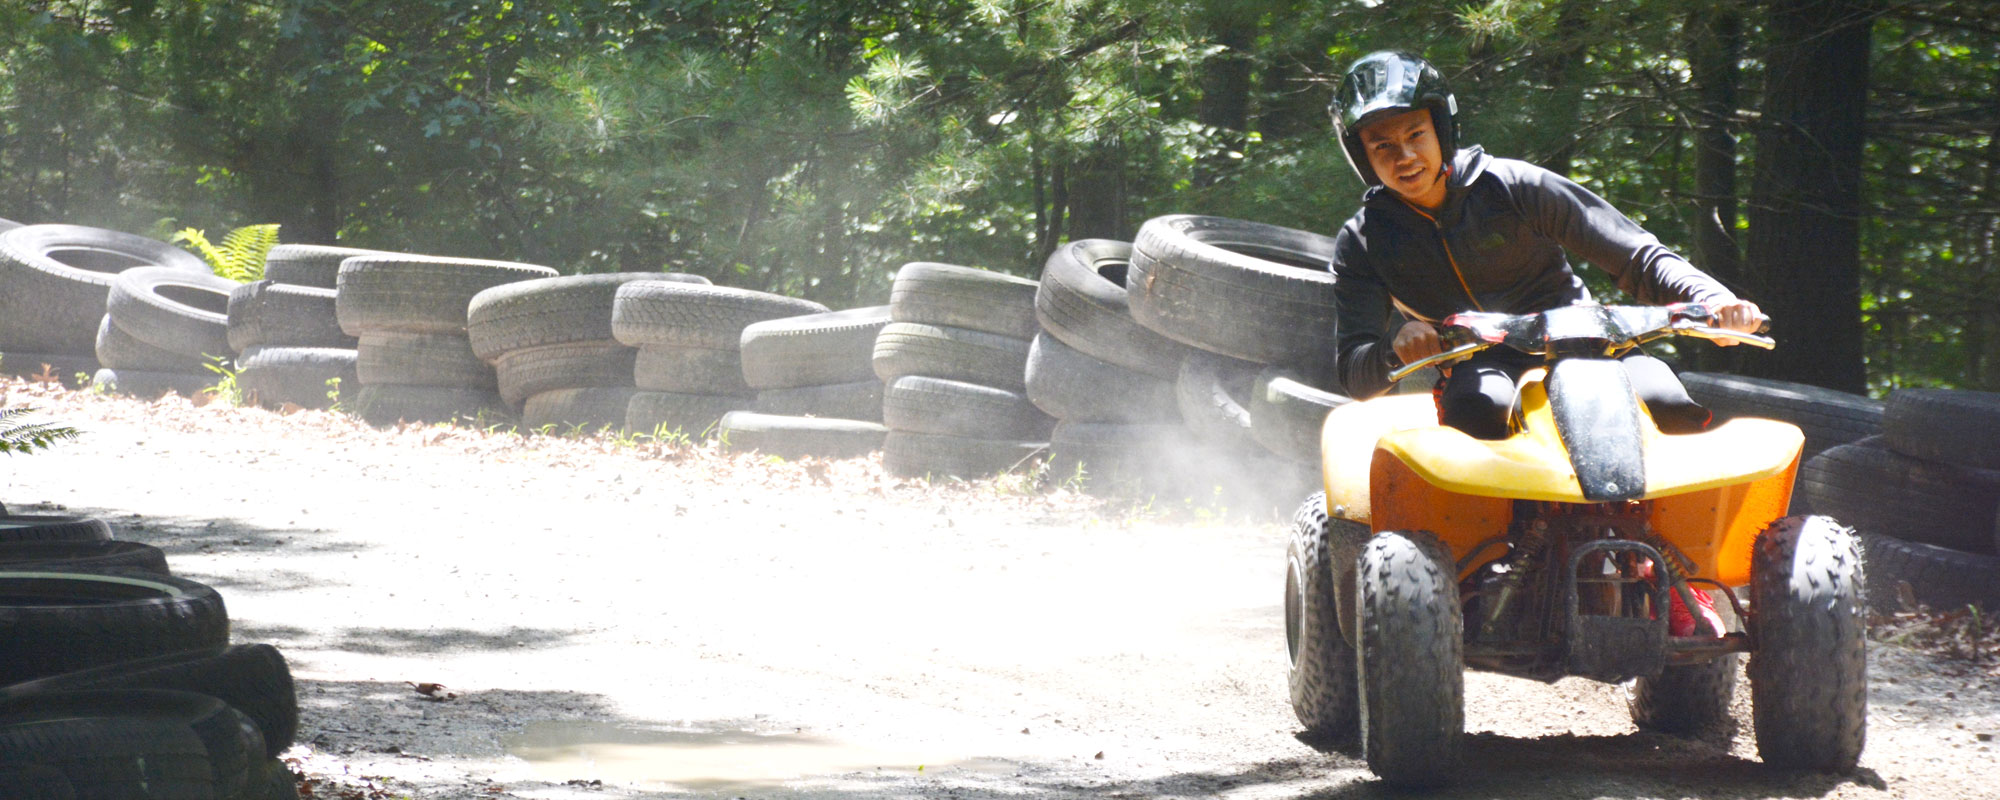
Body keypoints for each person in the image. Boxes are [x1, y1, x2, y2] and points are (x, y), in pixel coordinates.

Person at [1326, 50, 1764, 439]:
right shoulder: (1362, 242)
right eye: (1382, 145)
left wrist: (1712, 298)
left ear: (1442, 129)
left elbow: (1636, 255)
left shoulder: (1514, 186)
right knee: (1476, 411)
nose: (1404, 156)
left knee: (1666, 404)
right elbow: (1355, 373)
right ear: (1360, 155)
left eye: (1415, 134)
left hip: (1587, 341)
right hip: (1480, 364)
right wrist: (1395, 345)